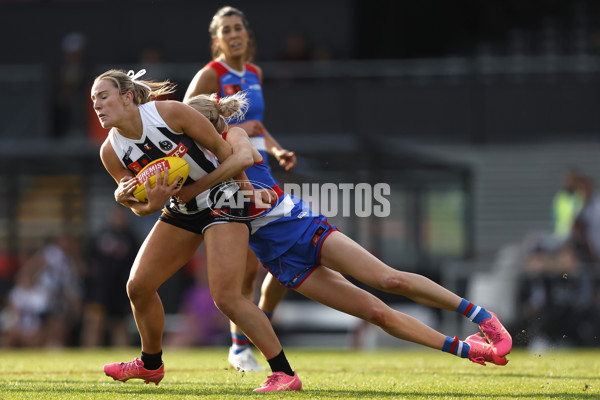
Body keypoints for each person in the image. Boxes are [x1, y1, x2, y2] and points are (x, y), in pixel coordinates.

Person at [185, 92, 513, 371]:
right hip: (282, 261)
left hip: (301, 228)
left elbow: (249, 159)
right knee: (376, 314)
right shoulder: (194, 163)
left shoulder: (233, 136)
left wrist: (204, 187)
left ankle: (482, 317)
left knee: (389, 280)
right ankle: (470, 350)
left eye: (186, 129)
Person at [92, 69, 301, 392]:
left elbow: (225, 153)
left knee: (226, 297)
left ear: (128, 97)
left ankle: (284, 373)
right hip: (183, 210)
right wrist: (142, 202)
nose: (97, 105)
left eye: (103, 96)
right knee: (138, 286)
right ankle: (150, 365)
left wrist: (244, 193)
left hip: (223, 200)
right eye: (93, 101)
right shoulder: (110, 151)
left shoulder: (170, 112)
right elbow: (139, 205)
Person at [183, 5, 296, 372]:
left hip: (261, 166)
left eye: (238, 28)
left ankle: (250, 334)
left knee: (269, 262)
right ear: (217, 39)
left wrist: (277, 149)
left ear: (247, 34)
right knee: (254, 264)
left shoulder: (254, 72)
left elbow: (256, 124)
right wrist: (231, 136)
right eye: (226, 30)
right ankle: (240, 346)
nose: (233, 35)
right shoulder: (209, 74)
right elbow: (185, 119)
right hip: (233, 169)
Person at [80, 206, 140, 347]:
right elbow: (88, 262)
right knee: (95, 323)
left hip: (121, 289)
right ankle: (88, 355)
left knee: (119, 326)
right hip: (100, 289)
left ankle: (122, 360)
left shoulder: (131, 238)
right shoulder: (100, 236)